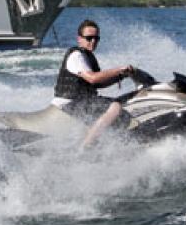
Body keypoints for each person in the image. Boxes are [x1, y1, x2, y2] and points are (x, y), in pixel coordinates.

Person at [53, 19, 141, 148]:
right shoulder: (76, 56)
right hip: (68, 103)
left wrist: (121, 76)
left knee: (123, 103)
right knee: (115, 107)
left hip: (80, 101)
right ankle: (85, 148)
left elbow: (97, 84)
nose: (93, 41)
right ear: (79, 39)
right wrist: (118, 69)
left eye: (96, 38)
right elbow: (93, 79)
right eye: (89, 38)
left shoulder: (89, 57)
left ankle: (114, 144)